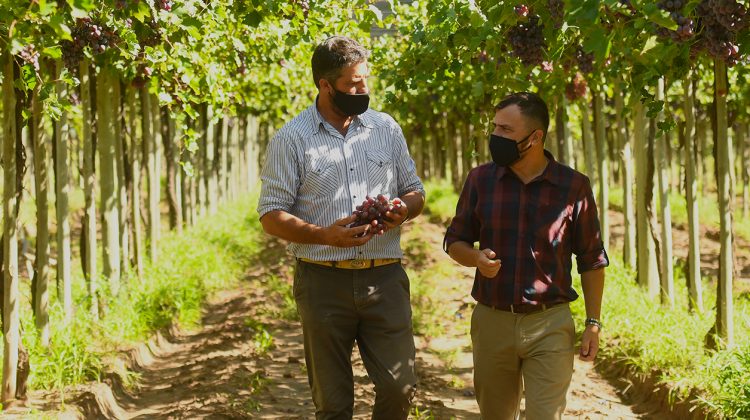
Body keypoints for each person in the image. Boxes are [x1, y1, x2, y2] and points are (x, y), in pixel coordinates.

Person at [257, 36, 425, 420]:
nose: (362, 89)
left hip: (384, 279)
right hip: (322, 282)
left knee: (399, 388)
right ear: (325, 85)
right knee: (332, 404)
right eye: (353, 84)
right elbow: (270, 214)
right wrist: (323, 236)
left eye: (365, 80)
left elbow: (414, 191)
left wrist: (404, 209)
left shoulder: (385, 128)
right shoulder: (292, 139)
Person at [443, 92, 608, 419]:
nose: (495, 136)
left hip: (550, 323)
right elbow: (454, 240)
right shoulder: (481, 180)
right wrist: (476, 259)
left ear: (535, 138)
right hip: (493, 321)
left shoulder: (573, 186)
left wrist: (593, 322)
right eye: (495, 127)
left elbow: (591, 259)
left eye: (506, 130)